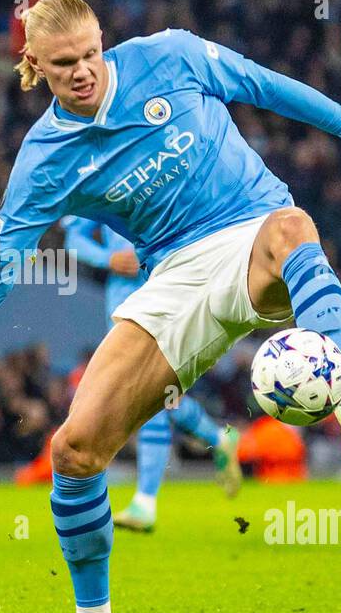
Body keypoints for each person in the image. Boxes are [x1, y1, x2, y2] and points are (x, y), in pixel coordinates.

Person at [0, 0, 341, 613]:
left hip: (252, 232)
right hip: (172, 277)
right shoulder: (45, 159)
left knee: (295, 228)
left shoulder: (171, 55)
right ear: (32, 63)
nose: (84, 70)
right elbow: (0, 269)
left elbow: (263, 85)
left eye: (91, 53)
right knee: (74, 449)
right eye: (64, 63)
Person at [63, 217, 240, 532]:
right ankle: (218, 438)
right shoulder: (102, 182)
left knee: (149, 391)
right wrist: (108, 258)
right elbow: (73, 240)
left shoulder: (164, 175)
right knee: (159, 396)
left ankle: (145, 502)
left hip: (169, 294)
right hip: (121, 304)